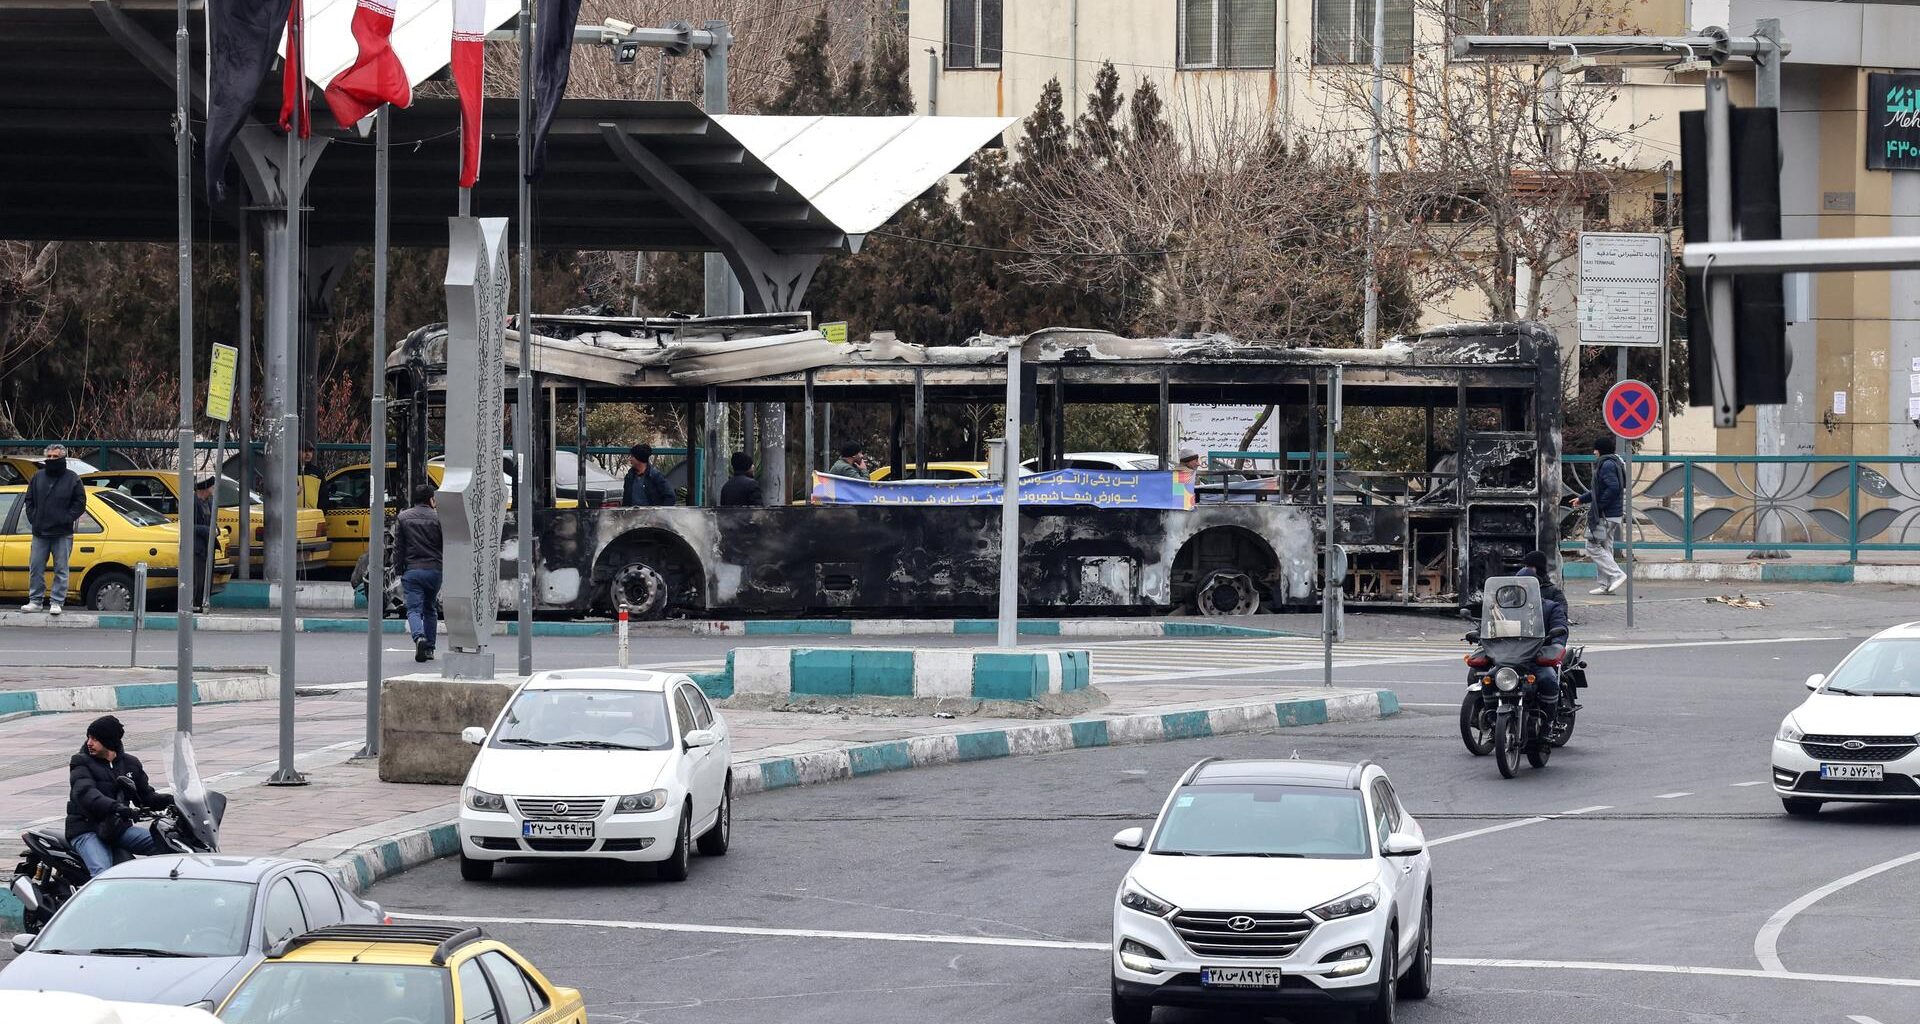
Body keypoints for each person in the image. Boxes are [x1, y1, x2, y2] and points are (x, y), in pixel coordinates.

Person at [66, 715, 172, 878]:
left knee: (168, 845)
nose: (89, 743)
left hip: (117, 829)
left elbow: (146, 797)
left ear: (109, 741)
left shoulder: (130, 764)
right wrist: (117, 808)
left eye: (95, 739)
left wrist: (174, 800)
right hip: (87, 829)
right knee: (103, 874)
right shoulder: (80, 762)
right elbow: (86, 793)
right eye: (89, 738)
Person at [21, 442, 88, 615]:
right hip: (40, 532)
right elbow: (29, 500)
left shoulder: (73, 478)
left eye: (55, 456)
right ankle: (35, 601)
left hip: (62, 533)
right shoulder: (37, 477)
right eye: (49, 456)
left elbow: (80, 503)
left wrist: (66, 518)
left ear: (63, 458)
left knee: (61, 569)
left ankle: (57, 601)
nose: (51, 459)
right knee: (36, 568)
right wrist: (34, 518)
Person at [392, 483, 443, 663]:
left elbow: (398, 548)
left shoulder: (403, 517)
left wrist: (398, 570)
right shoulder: (439, 518)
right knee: (430, 609)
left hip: (412, 571)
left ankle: (419, 637)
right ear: (431, 499)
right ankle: (429, 649)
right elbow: (445, 544)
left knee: (413, 610)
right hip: (435, 570)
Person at [1569, 439, 1627, 596]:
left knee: (1592, 546)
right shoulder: (1615, 462)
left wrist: (1599, 506)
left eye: (1595, 449)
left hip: (1606, 514)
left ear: (1601, 450)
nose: (1594, 452)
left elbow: (1613, 488)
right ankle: (1605, 585)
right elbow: (1599, 490)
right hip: (1613, 514)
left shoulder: (1606, 464)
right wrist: (1582, 499)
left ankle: (1617, 574)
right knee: (1605, 547)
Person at [1517, 550, 1568, 706]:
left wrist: (1555, 645)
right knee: (1478, 673)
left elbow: (1560, 621)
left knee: (1548, 678)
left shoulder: (1552, 598)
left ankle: (1548, 716)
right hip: (1513, 649)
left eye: (1530, 566)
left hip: (1540, 648)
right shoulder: (1510, 601)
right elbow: (1497, 618)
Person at [191, 477, 216, 612]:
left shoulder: (210, 502)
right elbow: (188, 526)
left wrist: (215, 529)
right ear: (205, 489)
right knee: (198, 579)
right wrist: (208, 530)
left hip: (208, 546)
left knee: (207, 579)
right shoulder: (193, 503)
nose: (214, 489)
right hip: (197, 547)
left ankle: (204, 602)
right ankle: (196, 604)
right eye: (212, 487)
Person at [296, 442, 323, 508]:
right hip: (293, 513)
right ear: (297, 452)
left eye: (310, 451)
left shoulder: (317, 472)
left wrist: (321, 511)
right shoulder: (289, 471)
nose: (308, 454)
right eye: (304, 450)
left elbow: (323, 495)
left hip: (312, 513)